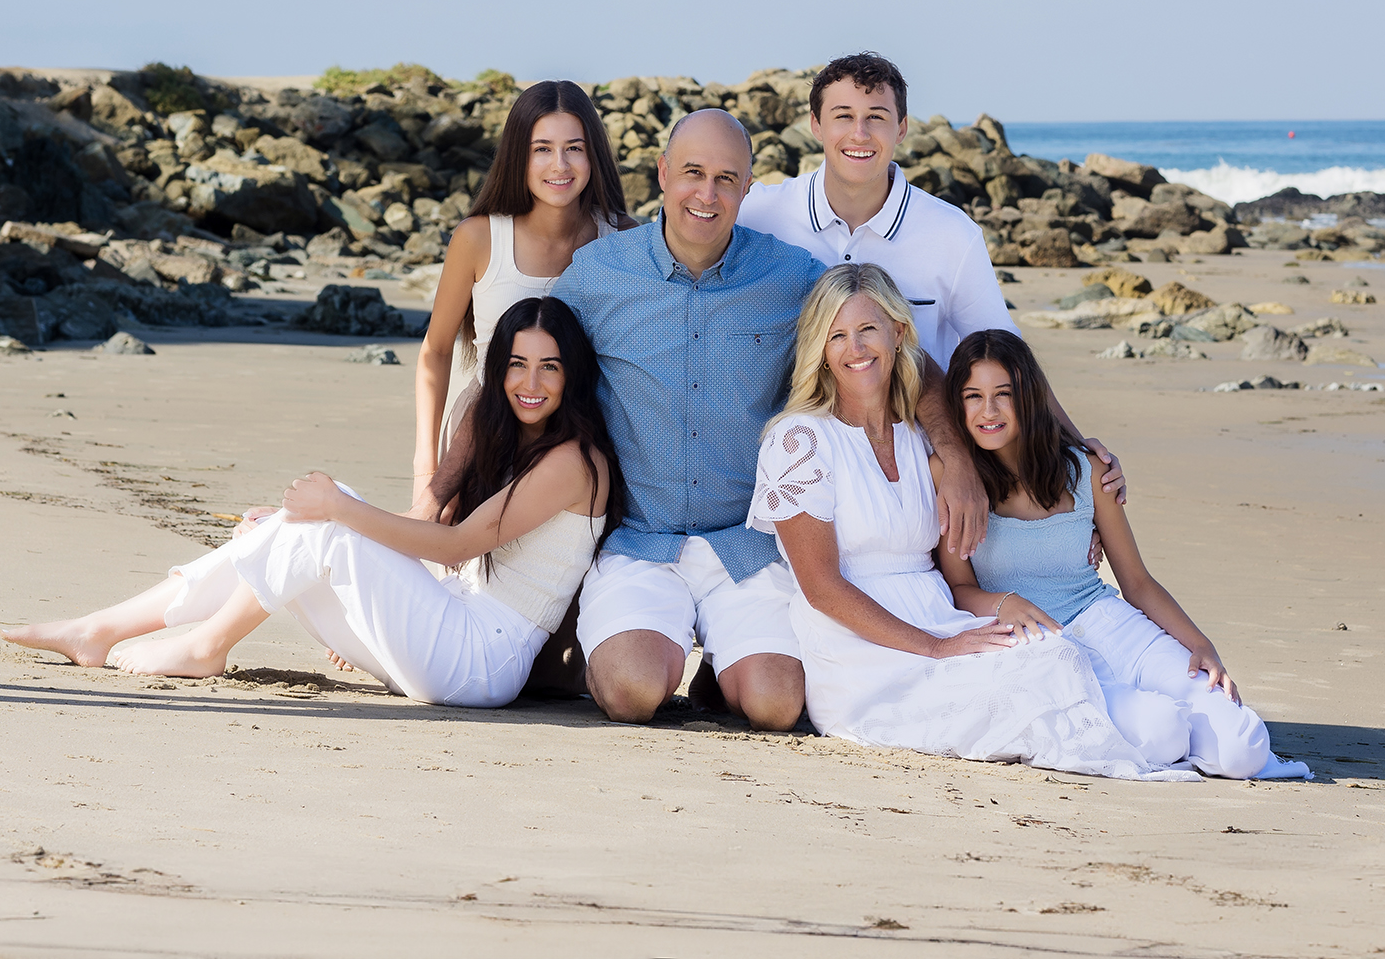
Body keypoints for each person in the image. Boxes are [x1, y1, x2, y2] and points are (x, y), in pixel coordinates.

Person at [2, 297, 618, 708]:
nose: (529, 384)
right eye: (516, 365)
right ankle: (99, 630)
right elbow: (420, 534)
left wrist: (337, 514)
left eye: (549, 368)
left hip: (479, 662)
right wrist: (306, 532)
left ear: (572, 376)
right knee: (290, 526)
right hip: (442, 629)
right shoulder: (505, 434)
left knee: (329, 514)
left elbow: (461, 545)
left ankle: (204, 647)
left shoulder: (574, 462)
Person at [744, 262, 1191, 778]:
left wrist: (1084, 488)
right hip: (863, 650)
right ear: (820, 349)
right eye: (836, 335)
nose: (855, 349)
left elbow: (1015, 439)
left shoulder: (920, 437)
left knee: (1054, 654)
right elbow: (821, 586)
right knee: (1048, 676)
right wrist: (936, 647)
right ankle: (1146, 732)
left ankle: (1155, 723)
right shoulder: (799, 441)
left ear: (899, 333)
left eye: (868, 330)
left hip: (942, 613)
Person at [737, 52, 1124, 558]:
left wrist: (1073, 457)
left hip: (914, 472)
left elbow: (1008, 362)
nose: (860, 133)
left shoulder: (950, 234)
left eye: (876, 118)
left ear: (901, 128)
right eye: (843, 117)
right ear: (814, 125)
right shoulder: (760, 213)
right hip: (798, 462)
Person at [549, 108, 825, 730]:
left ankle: (719, 666)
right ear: (663, 173)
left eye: (727, 179)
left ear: (748, 189)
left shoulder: (796, 278)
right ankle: (650, 648)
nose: (707, 194)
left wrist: (951, 449)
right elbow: (524, 372)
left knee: (777, 706)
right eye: (693, 174)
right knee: (631, 692)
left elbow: (883, 346)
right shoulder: (598, 275)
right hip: (642, 540)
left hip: (749, 544)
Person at [941, 328, 1304, 779]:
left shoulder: (1086, 470)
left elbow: (1136, 582)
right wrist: (1003, 604)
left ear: (1029, 398)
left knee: (1243, 748)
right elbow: (959, 587)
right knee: (1162, 730)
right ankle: (1165, 741)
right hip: (1034, 643)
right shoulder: (954, 481)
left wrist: (1202, 646)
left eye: (1003, 394)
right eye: (973, 396)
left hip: (1104, 620)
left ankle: (1187, 742)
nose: (988, 411)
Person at [413, 79, 629, 512]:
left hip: (579, 444)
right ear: (519, 155)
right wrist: (427, 471)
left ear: (593, 155)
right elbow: (435, 352)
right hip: (482, 439)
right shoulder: (479, 239)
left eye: (575, 147)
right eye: (542, 148)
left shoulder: (622, 240)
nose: (560, 165)